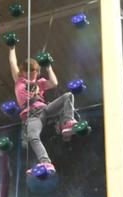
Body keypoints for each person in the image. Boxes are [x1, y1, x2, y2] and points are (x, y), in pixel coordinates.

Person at [8, 46, 78, 175]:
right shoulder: (19, 81)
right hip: (32, 116)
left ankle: (67, 123)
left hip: (44, 109)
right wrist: (12, 48)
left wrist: (48, 66)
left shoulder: (39, 83)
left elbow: (54, 83)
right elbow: (12, 63)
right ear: (22, 72)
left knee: (68, 96)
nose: (31, 74)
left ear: (37, 72)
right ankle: (46, 162)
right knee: (33, 136)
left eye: (34, 72)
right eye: (28, 72)